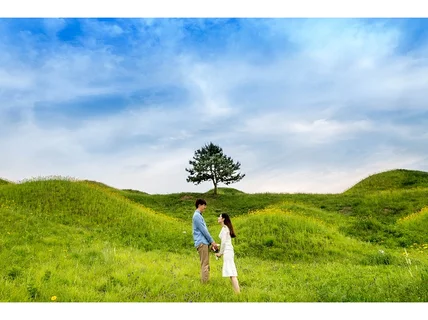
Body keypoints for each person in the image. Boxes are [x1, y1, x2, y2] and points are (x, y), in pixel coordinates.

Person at [192, 198, 218, 283]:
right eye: (204, 206)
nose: (205, 208)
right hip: (202, 243)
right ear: (199, 205)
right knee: (205, 264)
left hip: (203, 242)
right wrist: (212, 241)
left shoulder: (198, 215)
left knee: (205, 263)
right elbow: (204, 230)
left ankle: (205, 281)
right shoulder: (197, 216)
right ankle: (205, 283)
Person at [215, 213, 240, 293]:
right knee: (231, 273)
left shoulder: (225, 228)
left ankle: (238, 293)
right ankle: (236, 292)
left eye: (220, 216)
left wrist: (220, 253)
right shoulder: (225, 228)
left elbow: (224, 243)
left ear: (223, 219)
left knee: (232, 273)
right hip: (228, 251)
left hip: (227, 251)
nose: (218, 218)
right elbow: (224, 242)